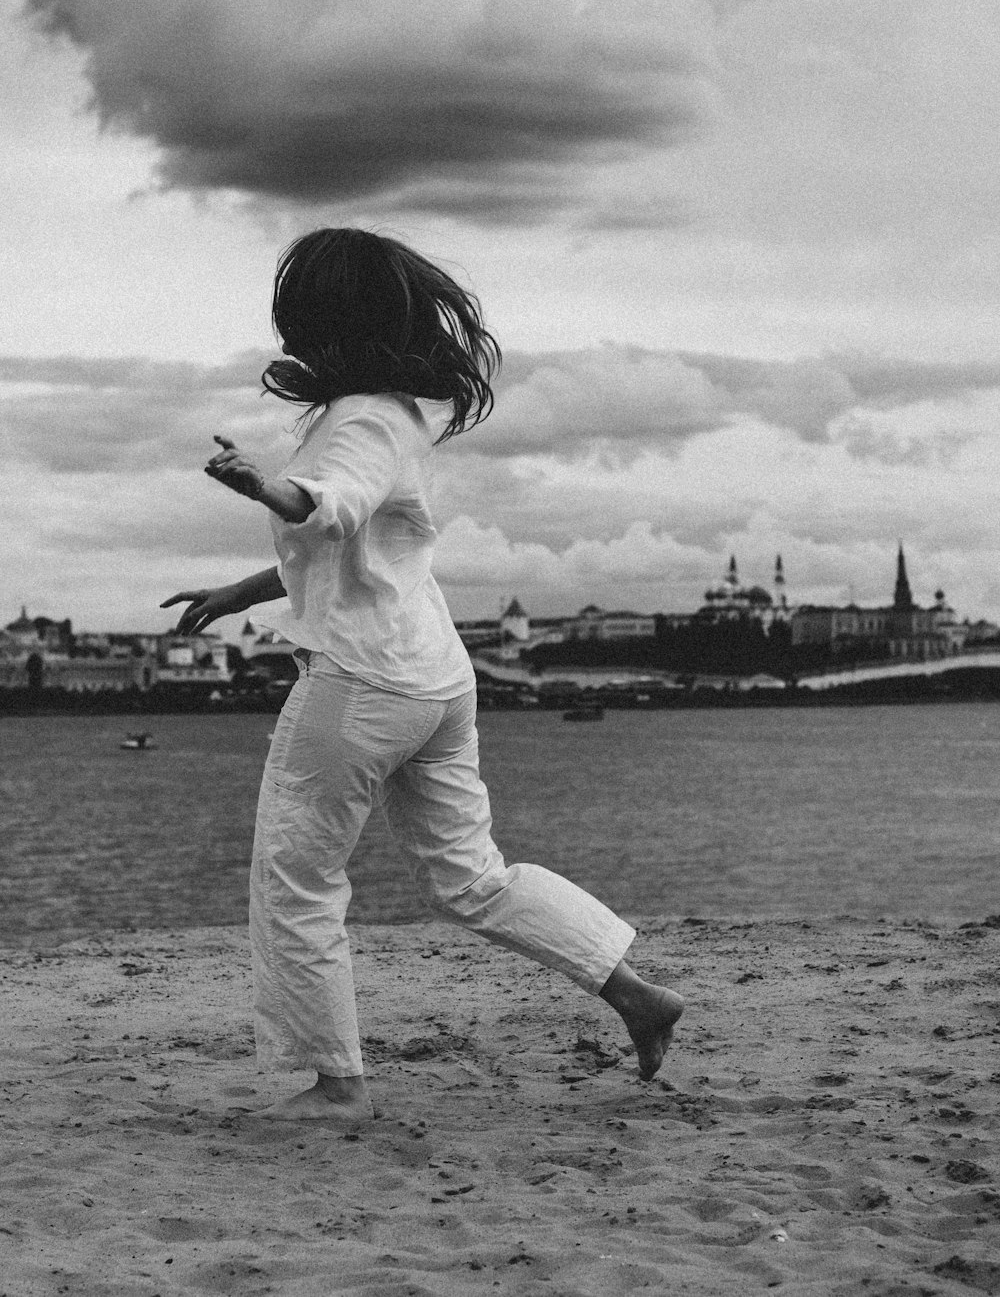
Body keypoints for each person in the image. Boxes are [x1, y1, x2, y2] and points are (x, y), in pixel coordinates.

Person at [162, 227, 683, 1123]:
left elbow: (330, 512)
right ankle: (635, 992)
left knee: (297, 879)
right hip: (436, 679)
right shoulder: (401, 411)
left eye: (293, 315)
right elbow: (359, 547)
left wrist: (262, 486)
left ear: (328, 321)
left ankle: (336, 1085)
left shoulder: (361, 418)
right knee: (471, 879)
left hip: (362, 683)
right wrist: (241, 590)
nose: (283, 331)